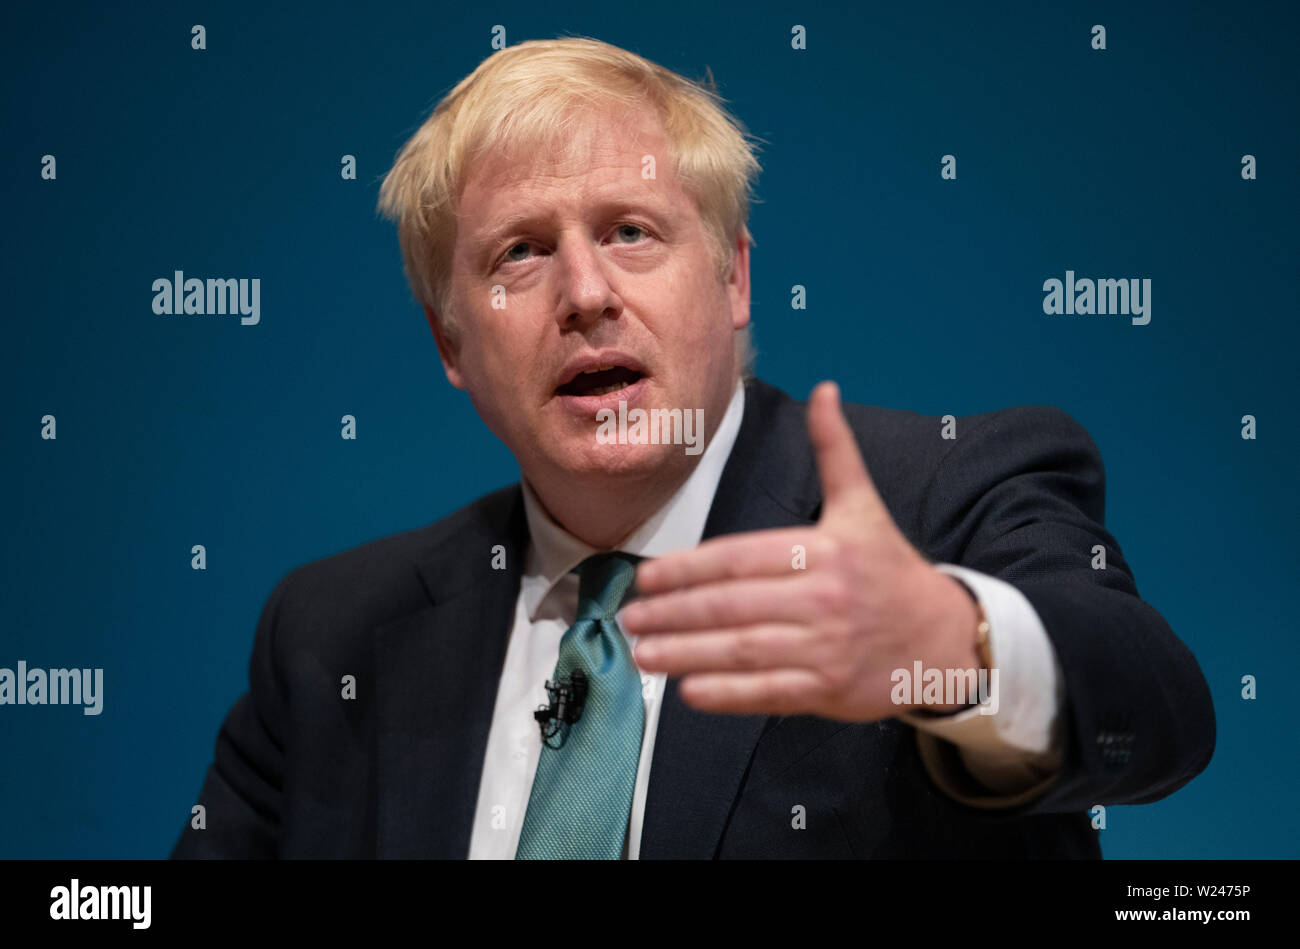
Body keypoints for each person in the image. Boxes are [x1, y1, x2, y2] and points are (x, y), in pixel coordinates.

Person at [170, 36, 1215, 859]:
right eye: (521, 253)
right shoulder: (333, 636)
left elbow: (1158, 713)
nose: (585, 294)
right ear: (452, 342)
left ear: (732, 280)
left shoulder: (943, 491)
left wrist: (947, 645)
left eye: (630, 230)